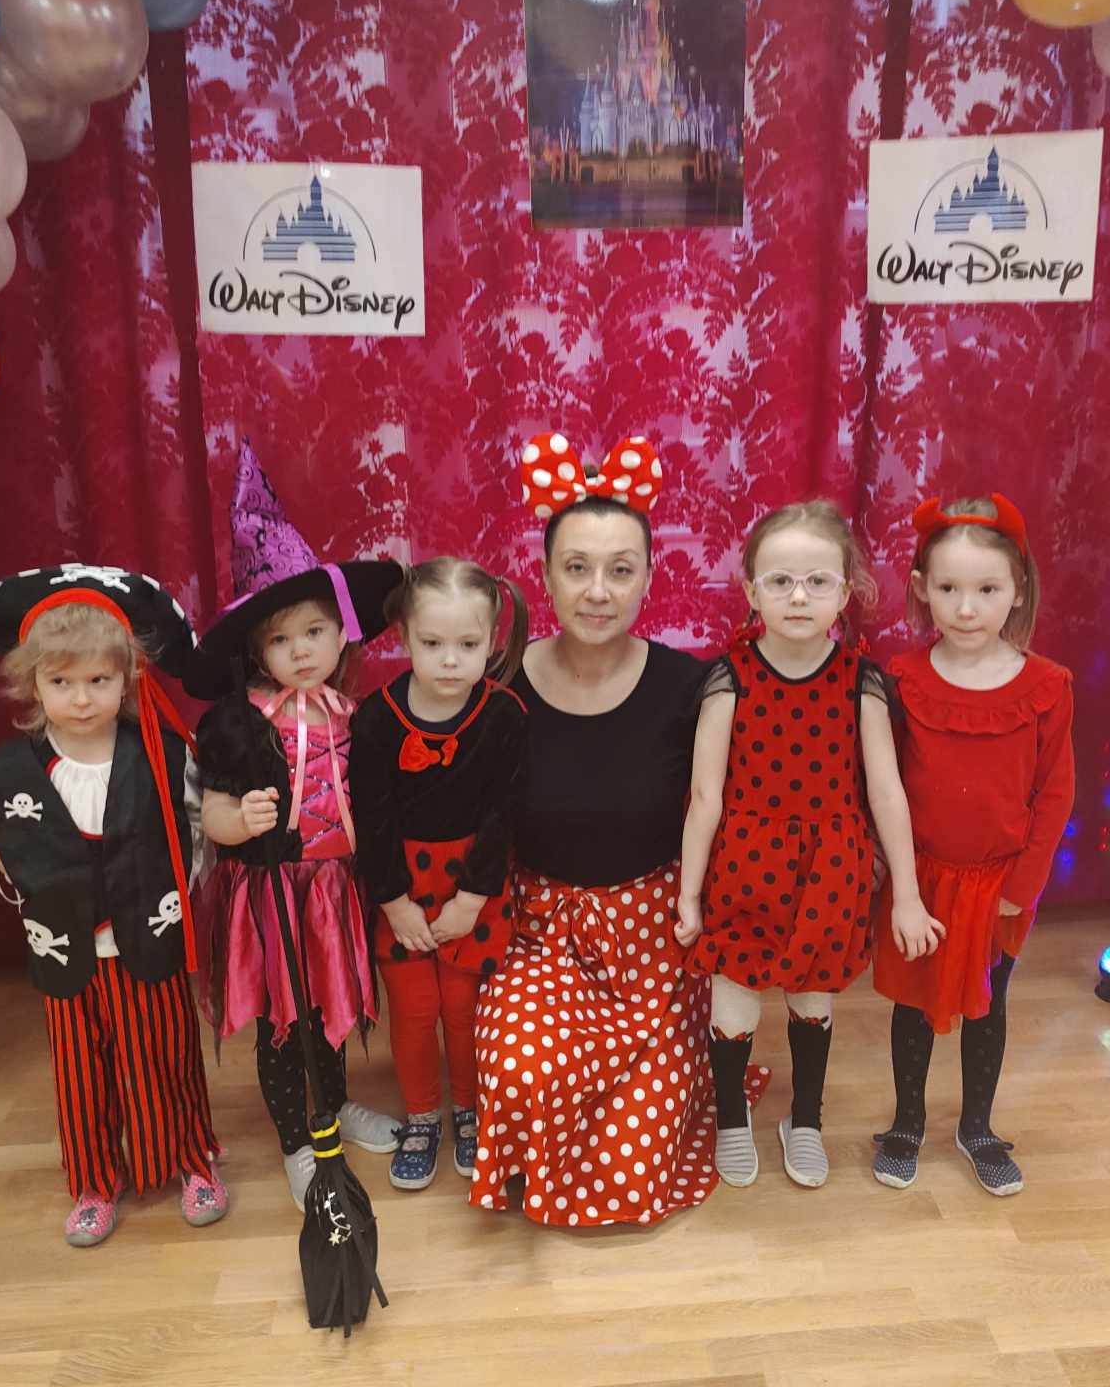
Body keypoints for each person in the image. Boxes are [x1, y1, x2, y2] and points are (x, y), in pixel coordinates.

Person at [470, 431, 748, 1226]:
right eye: (577, 568)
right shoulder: (498, 685)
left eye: (620, 570)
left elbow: (731, 808)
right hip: (542, 936)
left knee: (632, 1171)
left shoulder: (692, 686)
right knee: (523, 1072)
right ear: (545, 574)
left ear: (650, 577)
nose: (598, 591)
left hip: (654, 942)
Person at [0, 564, 226, 1248]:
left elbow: (199, 825)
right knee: (79, 1069)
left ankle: (191, 1161)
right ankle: (95, 1181)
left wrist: (180, 880)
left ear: (128, 678)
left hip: (146, 935)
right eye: (61, 682)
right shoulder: (6, 771)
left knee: (165, 1054)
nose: (81, 698)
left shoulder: (164, 755)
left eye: (99, 680)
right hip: (66, 946)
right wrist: (10, 864)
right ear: (32, 683)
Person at [676, 500, 932, 1189]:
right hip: (743, 868)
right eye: (781, 581)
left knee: (812, 1002)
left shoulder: (861, 681)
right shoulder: (729, 678)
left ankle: (806, 1119)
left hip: (830, 871)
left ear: (844, 593)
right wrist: (689, 895)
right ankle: (732, 1120)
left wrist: (906, 895)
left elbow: (887, 794)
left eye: (817, 581)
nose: (798, 596)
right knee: (734, 1004)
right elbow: (705, 796)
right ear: (751, 590)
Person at [183, 443, 405, 1208]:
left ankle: (333, 1107)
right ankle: (296, 1141)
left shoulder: (356, 716)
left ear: (343, 633)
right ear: (257, 653)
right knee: (283, 1019)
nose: (300, 650)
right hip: (271, 892)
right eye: (280, 640)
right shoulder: (240, 724)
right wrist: (236, 819)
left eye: (313, 632)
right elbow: (208, 811)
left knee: (329, 1009)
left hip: (333, 890)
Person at [870, 495, 1075, 1197]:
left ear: (1017, 590)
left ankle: (978, 1128)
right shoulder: (901, 679)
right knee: (913, 1002)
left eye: (987, 590)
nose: (965, 609)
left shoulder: (1047, 686)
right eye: (949, 589)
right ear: (921, 588)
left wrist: (1023, 887)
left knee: (990, 1001)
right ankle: (906, 1124)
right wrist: (899, 884)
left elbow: (1055, 794)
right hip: (921, 879)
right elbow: (886, 786)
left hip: (999, 884)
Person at [348, 557, 529, 1189]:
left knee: (461, 1006)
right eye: (431, 644)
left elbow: (504, 815)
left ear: (492, 640)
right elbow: (370, 817)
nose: (450, 661)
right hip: (402, 886)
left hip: (473, 887)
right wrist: (394, 902)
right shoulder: (376, 718)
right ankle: (423, 1115)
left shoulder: (504, 715)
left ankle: (470, 1111)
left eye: (468, 646)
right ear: (404, 637)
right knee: (416, 1008)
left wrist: (471, 899)